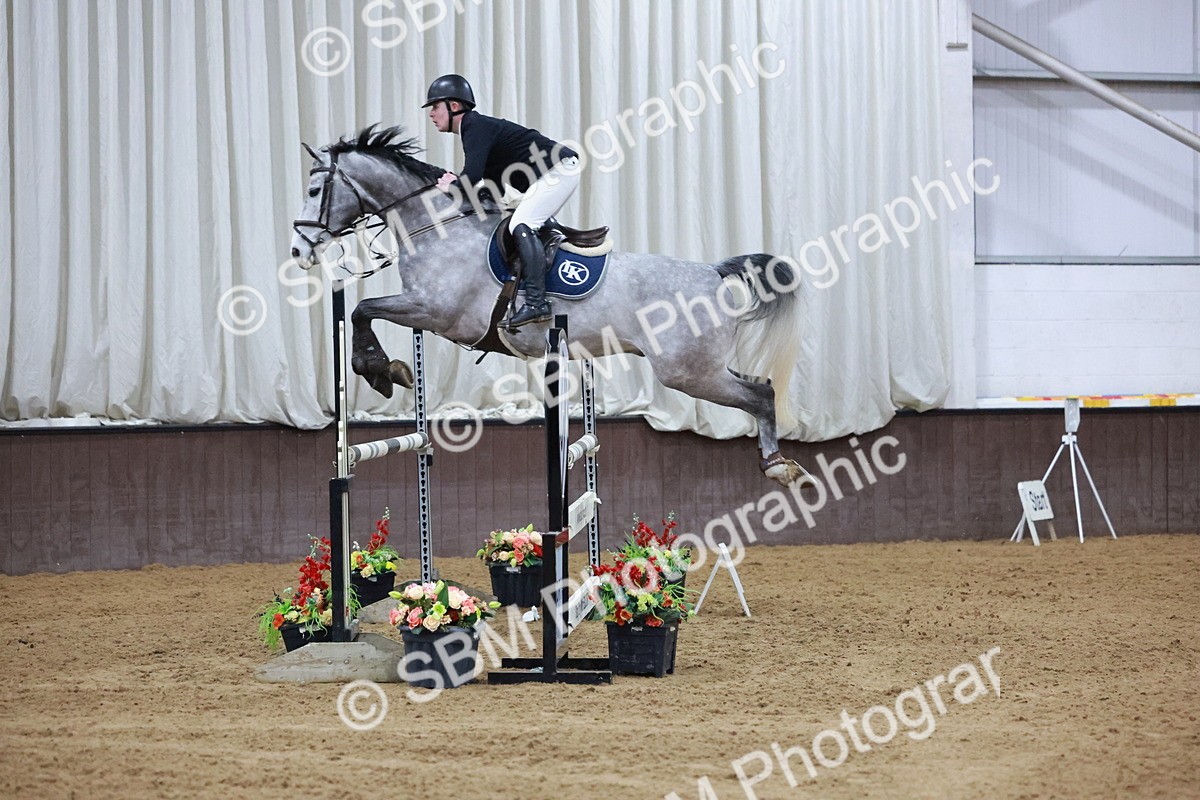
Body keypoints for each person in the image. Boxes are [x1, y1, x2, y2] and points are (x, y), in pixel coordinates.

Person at [423, 74, 580, 328]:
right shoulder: (477, 129)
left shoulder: (473, 126)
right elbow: (492, 184)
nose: (431, 114)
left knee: (522, 225)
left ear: (454, 107)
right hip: (552, 173)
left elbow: (471, 177)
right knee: (519, 220)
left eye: (435, 106)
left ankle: (537, 303)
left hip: (559, 170)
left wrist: (450, 186)